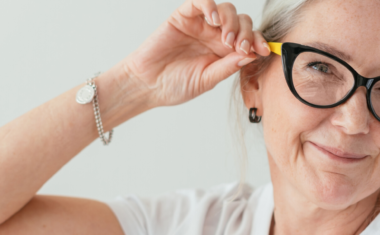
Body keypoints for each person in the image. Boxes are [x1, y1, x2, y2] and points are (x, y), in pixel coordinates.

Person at [1, 0, 380, 234]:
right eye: (321, 68)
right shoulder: (196, 223)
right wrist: (129, 87)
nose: (354, 121)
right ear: (253, 79)